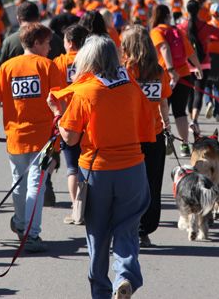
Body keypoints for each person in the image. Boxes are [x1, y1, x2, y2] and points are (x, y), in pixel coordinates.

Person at [49, 35, 153, 299]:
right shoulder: (131, 86)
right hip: (132, 167)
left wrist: (57, 115)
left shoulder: (84, 92)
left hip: (96, 171)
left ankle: (101, 291)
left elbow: (70, 138)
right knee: (127, 228)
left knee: (97, 234)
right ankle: (126, 276)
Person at [0, 23, 63, 253]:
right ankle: (31, 234)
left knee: (18, 183)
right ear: (37, 43)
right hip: (43, 138)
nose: (50, 47)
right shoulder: (48, 67)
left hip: (15, 136)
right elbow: (61, 100)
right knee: (36, 186)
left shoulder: (8, 67)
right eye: (47, 43)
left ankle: (21, 224)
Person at [121, 25, 171, 248]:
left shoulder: (123, 71)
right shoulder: (160, 72)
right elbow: (163, 102)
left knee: (128, 183)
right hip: (154, 134)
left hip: (128, 135)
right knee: (152, 183)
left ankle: (128, 225)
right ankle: (145, 229)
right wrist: (167, 125)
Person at [150, 4, 202, 157]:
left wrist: (171, 70)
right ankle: (185, 145)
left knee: (162, 110)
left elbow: (164, 48)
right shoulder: (177, 30)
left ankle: (166, 140)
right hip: (184, 75)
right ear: (168, 16)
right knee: (180, 112)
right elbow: (190, 52)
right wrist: (198, 66)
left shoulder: (156, 31)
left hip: (165, 75)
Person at [52, 24, 90, 224]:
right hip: (90, 118)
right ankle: (90, 205)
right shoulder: (91, 60)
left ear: (69, 43)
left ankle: (76, 208)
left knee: (72, 167)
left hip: (68, 119)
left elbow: (53, 91)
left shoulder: (59, 62)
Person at [178, 0, 219, 131]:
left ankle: (190, 119)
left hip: (186, 65)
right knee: (199, 92)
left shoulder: (181, 27)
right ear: (199, 10)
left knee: (189, 93)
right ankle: (194, 120)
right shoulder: (205, 26)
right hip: (204, 64)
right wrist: (210, 39)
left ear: (186, 10)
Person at [0, 1, 64, 63]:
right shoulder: (55, 38)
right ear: (38, 17)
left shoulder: (9, 42)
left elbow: (1, 66)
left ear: (18, 19)